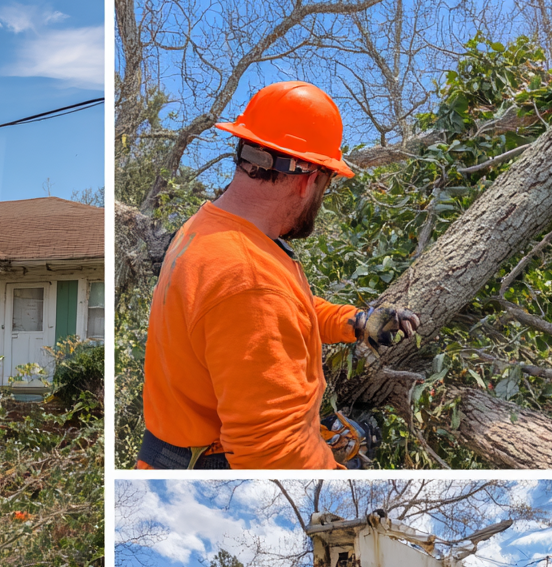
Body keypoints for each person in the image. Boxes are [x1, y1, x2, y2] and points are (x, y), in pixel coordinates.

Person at [139, 80, 421, 470]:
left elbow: (287, 311)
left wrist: (355, 322)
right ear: (309, 179)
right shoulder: (249, 277)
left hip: (182, 452)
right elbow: (272, 456)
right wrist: (342, 475)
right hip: (218, 466)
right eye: (327, 184)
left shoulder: (210, 229)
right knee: (365, 436)